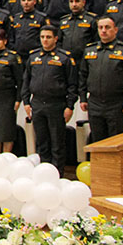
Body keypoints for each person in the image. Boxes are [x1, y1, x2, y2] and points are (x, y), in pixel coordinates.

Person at [21, 26, 77, 173]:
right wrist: (26, 102)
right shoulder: (33, 57)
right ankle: (45, 173)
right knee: (42, 142)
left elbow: (72, 85)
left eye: (48, 37)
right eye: (42, 37)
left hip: (56, 104)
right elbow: (26, 81)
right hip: (37, 103)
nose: (45, 40)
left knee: (57, 143)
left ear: (55, 39)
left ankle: (58, 174)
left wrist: (70, 106)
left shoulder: (64, 58)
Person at [81, 16, 123, 142]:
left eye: (107, 27)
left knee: (116, 141)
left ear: (115, 30)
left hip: (116, 103)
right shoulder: (89, 50)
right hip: (94, 103)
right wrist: (82, 98)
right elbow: (82, 76)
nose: (103, 31)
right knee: (97, 142)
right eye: (100, 28)